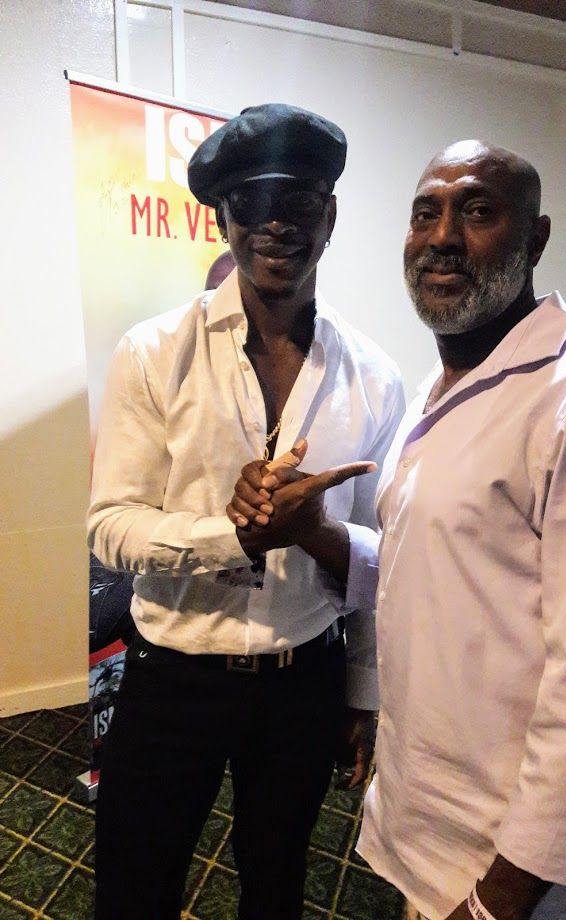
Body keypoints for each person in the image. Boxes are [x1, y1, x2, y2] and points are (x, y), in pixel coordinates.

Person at [227, 140, 566, 920]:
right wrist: (315, 530)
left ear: (535, 240)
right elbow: (432, 572)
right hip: (429, 833)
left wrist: (499, 899)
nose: (442, 236)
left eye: (477, 211)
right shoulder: (440, 391)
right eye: (425, 214)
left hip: (515, 876)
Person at [87, 102, 405, 920]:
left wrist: (362, 690)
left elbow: (384, 556)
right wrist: (229, 536)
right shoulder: (153, 352)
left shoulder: (375, 377)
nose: (275, 223)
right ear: (223, 217)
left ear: (329, 216)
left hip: (304, 680)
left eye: (298, 200)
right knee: (134, 886)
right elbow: (111, 525)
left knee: (278, 885)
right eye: (250, 201)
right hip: (173, 674)